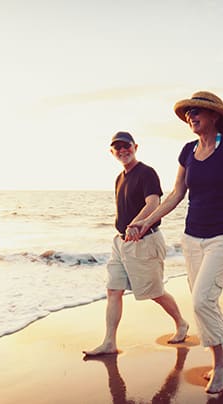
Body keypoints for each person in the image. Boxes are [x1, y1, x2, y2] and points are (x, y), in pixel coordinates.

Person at [127, 91, 223, 394]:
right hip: (191, 239)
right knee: (207, 300)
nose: (191, 117)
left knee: (201, 300)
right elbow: (175, 194)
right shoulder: (187, 151)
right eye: (188, 114)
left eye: (197, 111)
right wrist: (146, 221)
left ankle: (220, 364)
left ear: (215, 116)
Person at [83, 131, 189, 357]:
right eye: (117, 148)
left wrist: (135, 224)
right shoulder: (119, 178)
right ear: (112, 152)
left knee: (155, 292)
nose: (122, 151)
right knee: (113, 290)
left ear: (135, 147)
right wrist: (124, 228)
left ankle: (181, 323)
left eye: (126, 146)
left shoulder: (146, 173)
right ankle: (109, 342)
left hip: (145, 241)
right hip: (120, 243)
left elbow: (153, 202)